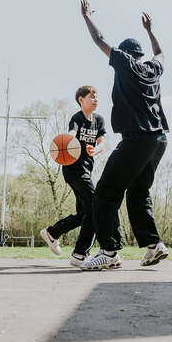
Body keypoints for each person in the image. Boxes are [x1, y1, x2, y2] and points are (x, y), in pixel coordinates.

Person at [77, 0, 170, 271]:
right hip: (159, 140)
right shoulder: (152, 70)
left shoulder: (125, 63)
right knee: (138, 191)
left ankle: (109, 252)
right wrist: (150, 31)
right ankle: (154, 245)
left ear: (125, 55)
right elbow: (160, 54)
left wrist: (86, 17)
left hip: (137, 139)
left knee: (105, 192)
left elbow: (100, 40)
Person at [39, 85, 107, 267]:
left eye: (97, 96)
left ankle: (52, 232)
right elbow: (71, 133)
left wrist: (95, 150)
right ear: (81, 100)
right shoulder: (77, 118)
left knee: (84, 213)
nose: (95, 99)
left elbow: (102, 143)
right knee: (95, 206)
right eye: (91, 96)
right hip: (73, 169)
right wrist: (67, 141)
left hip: (86, 170)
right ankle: (80, 254)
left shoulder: (99, 120)